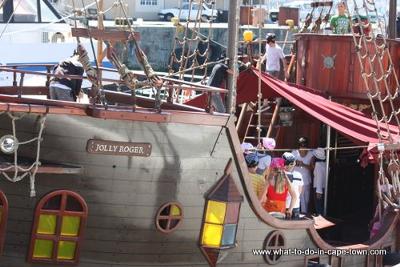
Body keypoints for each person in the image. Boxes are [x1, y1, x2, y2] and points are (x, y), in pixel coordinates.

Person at [292, 137, 313, 214]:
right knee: (297, 198)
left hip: (306, 180)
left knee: (306, 200)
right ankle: (297, 215)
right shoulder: (294, 153)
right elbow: (289, 164)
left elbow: (312, 168)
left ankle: (304, 215)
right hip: (295, 179)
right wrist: (295, 163)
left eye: (304, 145)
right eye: (301, 145)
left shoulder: (311, 154)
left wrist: (303, 164)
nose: (302, 147)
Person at [282, 152, 303, 219]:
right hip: (296, 205)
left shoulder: (280, 174)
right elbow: (300, 191)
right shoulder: (299, 175)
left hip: (284, 205)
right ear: (294, 163)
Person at [312, 148, 326, 215]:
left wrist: (318, 191)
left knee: (318, 207)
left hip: (318, 188)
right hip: (323, 187)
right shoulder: (325, 164)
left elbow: (319, 177)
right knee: (321, 206)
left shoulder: (318, 165)